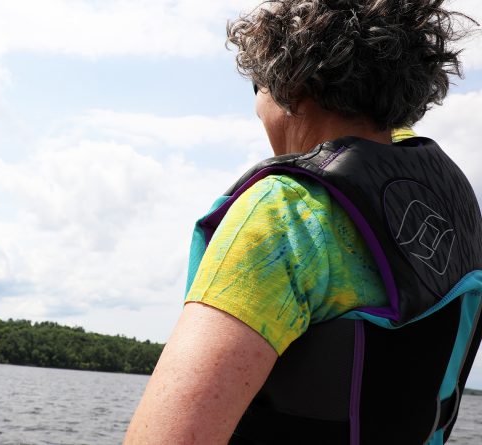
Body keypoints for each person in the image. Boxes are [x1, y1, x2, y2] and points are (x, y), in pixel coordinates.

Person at [125, 1, 481, 444]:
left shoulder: (286, 213)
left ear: (290, 83)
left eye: (258, 84)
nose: (257, 108)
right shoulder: (456, 205)